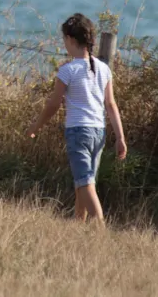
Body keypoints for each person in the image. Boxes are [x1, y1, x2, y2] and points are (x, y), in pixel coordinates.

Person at [27, 13, 128, 224]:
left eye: (64, 39)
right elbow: (111, 104)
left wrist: (36, 125)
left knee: (85, 183)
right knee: (83, 181)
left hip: (77, 132)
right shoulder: (104, 69)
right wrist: (120, 137)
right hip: (98, 132)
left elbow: (53, 104)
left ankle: (99, 226)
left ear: (71, 40)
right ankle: (78, 224)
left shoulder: (68, 70)